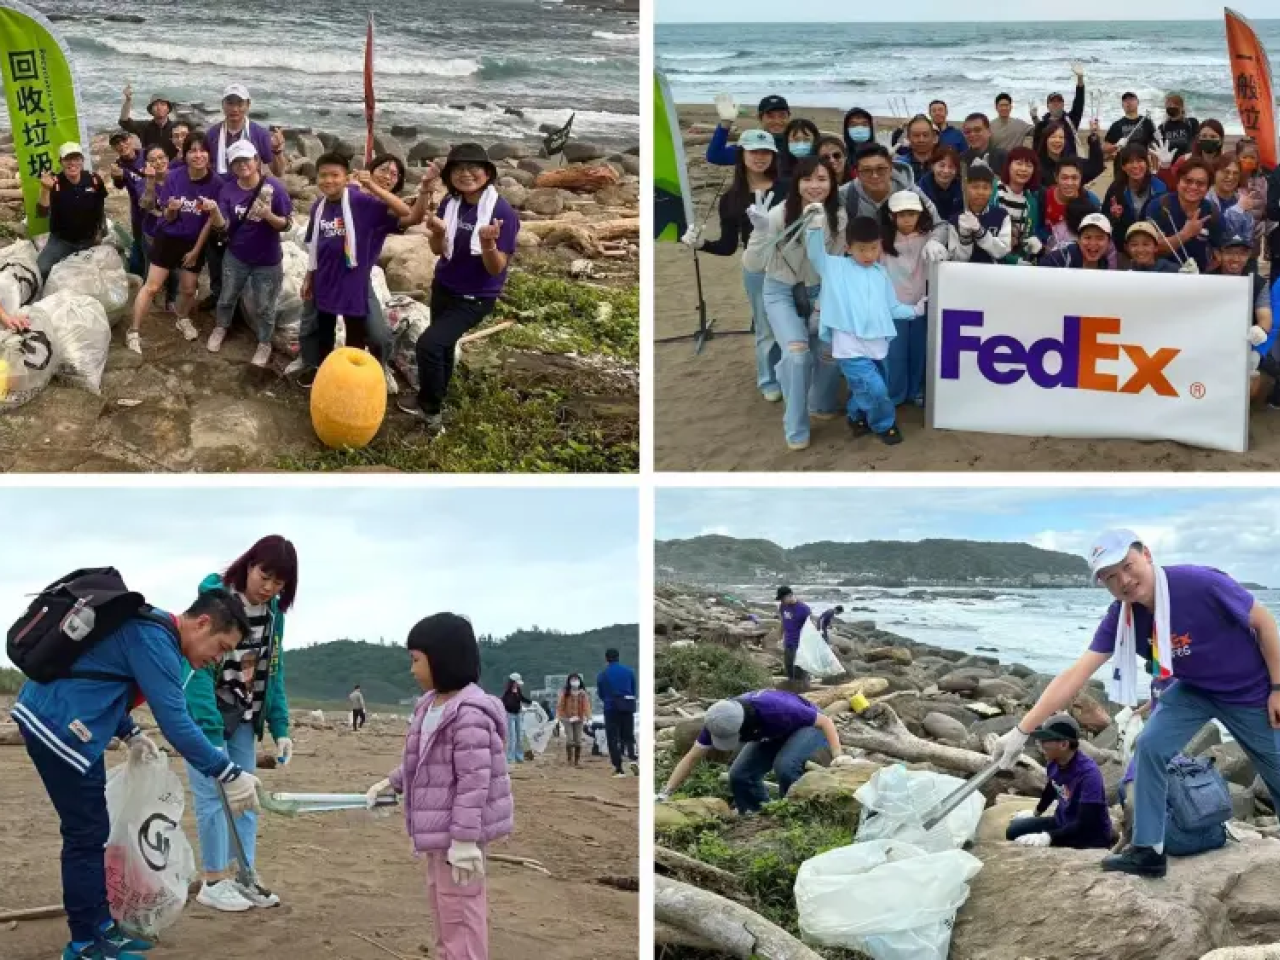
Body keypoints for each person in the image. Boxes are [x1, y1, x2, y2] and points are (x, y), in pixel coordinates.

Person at [991, 529, 1280, 878]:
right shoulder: (1122, 619)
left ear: (1146, 555)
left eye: (1127, 566)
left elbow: (1264, 623)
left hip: (1250, 690)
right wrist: (1022, 732)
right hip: (1195, 690)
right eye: (1110, 577)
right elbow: (1074, 675)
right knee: (1150, 747)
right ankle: (1149, 850)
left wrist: (1277, 687)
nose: (1124, 581)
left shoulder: (1198, 583)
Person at [11, 588, 259, 960]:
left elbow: (101, 677)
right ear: (203, 623)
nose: (216, 660)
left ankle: (103, 927)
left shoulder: (152, 633)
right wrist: (227, 771)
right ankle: (84, 944)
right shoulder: (156, 639)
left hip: (70, 724)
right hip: (58, 727)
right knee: (84, 835)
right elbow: (176, 722)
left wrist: (130, 732)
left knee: (92, 830)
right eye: (221, 647)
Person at [363, 613, 514, 960]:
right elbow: (420, 761)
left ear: (442, 658)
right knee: (444, 904)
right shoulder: (429, 706)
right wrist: (393, 782)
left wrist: (464, 841)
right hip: (438, 830)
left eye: (416, 660)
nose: (412, 670)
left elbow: (474, 782)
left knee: (461, 908)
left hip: (459, 835)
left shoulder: (470, 714)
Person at [184, 536, 297, 911]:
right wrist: (209, 731)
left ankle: (245, 875)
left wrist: (281, 728)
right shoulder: (216, 600)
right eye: (265, 576)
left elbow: (272, 671)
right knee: (213, 796)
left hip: (245, 714)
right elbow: (196, 669)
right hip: (207, 713)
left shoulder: (272, 615)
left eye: (279, 583)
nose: (268, 588)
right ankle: (214, 880)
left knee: (245, 797)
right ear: (249, 565)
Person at [393, 144, 515, 435]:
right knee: (443, 347)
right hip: (445, 286)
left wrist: (487, 244)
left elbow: (496, 268)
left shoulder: (501, 213)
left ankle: (432, 415)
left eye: (474, 168)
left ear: (487, 173)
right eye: (458, 169)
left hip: (474, 297)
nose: (466, 174)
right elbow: (439, 251)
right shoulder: (451, 202)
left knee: (429, 345)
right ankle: (436, 395)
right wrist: (436, 232)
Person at [742, 156, 846, 451]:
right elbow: (753, 264)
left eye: (822, 179)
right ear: (797, 183)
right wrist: (760, 232)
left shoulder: (838, 217)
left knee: (829, 350)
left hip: (820, 290)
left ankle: (814, 398)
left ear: (832, 183)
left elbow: (834, 268)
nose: (815, 186)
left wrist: (821, 307)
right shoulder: (777, 215)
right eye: (807, 179)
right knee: (798, 355)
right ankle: (795, 423)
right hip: (781, 291)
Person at [682, 129, 785, 403]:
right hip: (757, 269)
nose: (760, 158)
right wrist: (701, 243)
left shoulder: (788, 187)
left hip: (793, 264)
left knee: (798, 320)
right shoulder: (731, 199)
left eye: (766, 152)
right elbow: (728, 246)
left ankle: (794, 373)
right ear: (741, 155)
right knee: (766, 326)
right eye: (754, 152)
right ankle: (768, 379)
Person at [294, 153, 410, 386]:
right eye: (323, 175)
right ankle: (320, 368)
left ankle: (354, 376)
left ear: (346, 177)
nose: (329, 180)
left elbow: (406, 213)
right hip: (324, 277)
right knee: (319, 328)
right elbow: (316, 246)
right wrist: (309, 276)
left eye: (335, 175)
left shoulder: (363, 203)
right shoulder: (320, 206)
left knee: (359, 333)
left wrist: (371, 186)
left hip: (354, 281)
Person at [807, 212, 916, 446]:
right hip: (849, 345)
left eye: (874, 248)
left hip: (877, 343)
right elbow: (816, 256)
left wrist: (917, 310)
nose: (868, 255)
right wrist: (814, 228)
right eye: (862, 249)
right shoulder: (835, 267)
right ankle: (884, 424)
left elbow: (893, 307)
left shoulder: (881, 273)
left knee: (869, 385)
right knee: (875, 389)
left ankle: (856, 416)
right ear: (848, 248)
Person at [656, 690, 854, 813]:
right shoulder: (718, 721)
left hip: (808, 727)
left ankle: (794, 813)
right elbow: (691, 758)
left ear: (744, 723)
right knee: (739, 775)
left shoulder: (776, 708)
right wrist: (665, 793)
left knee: (785, 766)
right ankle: (759, 814)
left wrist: (838, 755)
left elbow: (825, 722)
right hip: (770, 733)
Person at [127, 132, 220, 354]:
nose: (198, 155)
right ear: (185, 155)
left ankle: (182, 318)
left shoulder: (216, 183)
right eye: (192, 151)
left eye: (202, 150)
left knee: (188, 290)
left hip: (193, 241)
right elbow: (166, 217)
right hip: (167, 238)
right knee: (152, 287)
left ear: (209, 154)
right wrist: (171, 209)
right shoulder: (174, 177)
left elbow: (209, 222)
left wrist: (197, 251)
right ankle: (133, 331)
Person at [203, 141, 293, 366]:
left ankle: (264, 343)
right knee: (226, 297)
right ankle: (221, 327)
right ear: (232, 166)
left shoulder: (275, 188)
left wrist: (269, 216)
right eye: (236, 161)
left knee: (265, 305)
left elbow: (287, 225)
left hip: (268, 259)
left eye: (246, 159)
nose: (242, 165)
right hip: (236, 255)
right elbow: (222, 226)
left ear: (257, 161)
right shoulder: (228, 189)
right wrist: (214, 211)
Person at [203, 84, 286, 310]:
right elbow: (201, 163)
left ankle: (243, 302)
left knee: (246, 250)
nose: (234, 108)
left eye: (240, 103)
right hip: (221, 201)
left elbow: (278, 171)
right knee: (216, 251)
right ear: (223, 106)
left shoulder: (258, 133)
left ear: (248, 106)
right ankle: (218, 293)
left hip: (249, 203)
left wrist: (278, 151)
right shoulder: (212, 134)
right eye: (230, 103)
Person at [1004, 714, 1113, 849]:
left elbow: (1086, 823)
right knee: (1013, 830)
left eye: (1046, 740)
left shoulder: (1089, 774)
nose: (1040, 743)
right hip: (1062, 822)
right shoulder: (1054, 763)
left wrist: (1049, 837)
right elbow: (1051, 788)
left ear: (1063, 744)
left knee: (1031, 845)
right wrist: (1036, 813)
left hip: (1087, 835)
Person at [840, 144, 950, 252]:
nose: (875, 175)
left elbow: (940, 225)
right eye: (866, 170)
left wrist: (935, 242)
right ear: (857, 173)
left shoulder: (911, 192)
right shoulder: (846, 195)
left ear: (891, 168)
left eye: (881, 169)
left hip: (904, 260)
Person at [878, 191, 933, 407]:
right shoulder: (883, 242)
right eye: (901, 214)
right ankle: (895, 394)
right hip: (894, 309)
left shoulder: (927, 238)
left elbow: (945, 229)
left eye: (911, 213)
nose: (907, 219)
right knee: (895, 354)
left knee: (919, 352)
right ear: (892, 216)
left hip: (921, 304)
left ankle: (915, 391)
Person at [1211, 230, 1274, 400]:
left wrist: (1260, 330)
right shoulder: (1207, 279)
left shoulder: (1258, 282)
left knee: (1255, 381)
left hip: (1243, 344)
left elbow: (1265, 318)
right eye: (1230, 252)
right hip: (1212, 343)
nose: (1236, 259)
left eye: (1242, 253)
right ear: (1218, 254)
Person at [35, 143, 107, 280]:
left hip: (88, 240)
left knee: (92, 275)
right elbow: (42, 213)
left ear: (82, 161)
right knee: (42, 268)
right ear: (61, 162)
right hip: (62, 241)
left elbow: (100, 207)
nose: (72, 163)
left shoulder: (94, 180)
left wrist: (101, 231)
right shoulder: (53, 182)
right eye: (67, 159)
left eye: (76, 158)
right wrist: (45, 189)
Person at [1150, 158, 1222, 274]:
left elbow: (1219, 253)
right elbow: (1151, 251)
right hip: (1162, 278)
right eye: (1188, 181)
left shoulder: (1211, 211)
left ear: (1208, 188)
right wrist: (1185, 234)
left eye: (1200, 183)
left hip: (1197, 282)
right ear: (1178, 182)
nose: (1193, 187)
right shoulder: (1159, 207)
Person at [947, 163, 1011, 265]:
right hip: (965, 275)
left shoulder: (1002, 215)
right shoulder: (955, 220)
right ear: (965, 188)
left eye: (985, 188)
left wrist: (981, 233)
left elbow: (1002, 251)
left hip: (994, 273)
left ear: (991, 190)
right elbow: (957, 259)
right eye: (975, 187)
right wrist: (965, 237)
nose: (980, 192)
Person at [1102, 143, 1168, 241]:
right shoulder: (1116, 188)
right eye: (1130, 162)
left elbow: (1166, 219)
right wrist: (1113, 216)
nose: (1135, 166)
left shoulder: (1159, 188)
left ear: (1147, 163)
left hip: (1152, 245)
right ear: (1123, 167)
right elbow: (1104, 218)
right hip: (1123, 245)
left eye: (1140, 161)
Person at [706, 93, 791, 166]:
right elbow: (715, 156)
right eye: (770, 116)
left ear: (788, 117)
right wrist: (725, 124)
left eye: (782, 116)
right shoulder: (752, 143)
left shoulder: (796, 143)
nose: (777, 121)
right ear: (759, 118)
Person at [1040, 158, 1101, 254]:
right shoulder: (1043, 197)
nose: (1069, 183)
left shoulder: (1092, 201)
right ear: (1056, 177)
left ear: (1081, 178)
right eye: (1064, 178)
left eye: (1074, 178)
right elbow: (1036, 228)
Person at [998, 147, 1044, 263]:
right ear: (1008, 165)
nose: (1023, 169)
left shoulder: (1031, 202)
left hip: (1018, 263)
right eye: (1019, 163)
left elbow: (1027, 237)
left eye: (1029, 166)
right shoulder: (994, 191)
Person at [597, 647, 638, 778]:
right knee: (628, 735)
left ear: (606, 658)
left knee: (613, 738)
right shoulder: (629, 671)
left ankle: (619, 767)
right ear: (618, 657)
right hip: (627, 707)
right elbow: (633, 690)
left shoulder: (602, 675)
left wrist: (610, 701)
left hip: (610, 708)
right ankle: (632, 763)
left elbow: (601, 694)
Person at [1032, 64, 1086, 153]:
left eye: (1059, 101)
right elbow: (1036, 146)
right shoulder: (1042, 124)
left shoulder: (1071, 121)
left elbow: (1079, 102)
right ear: (1047, 105)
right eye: (1053, 101)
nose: (1056, 104)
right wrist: (1034, 117)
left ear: (1063, 104)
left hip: (1067, 164)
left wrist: (1080, 78)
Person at [118, 85, 178, 159]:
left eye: (163, 104)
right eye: (155, 105)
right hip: (150, 165)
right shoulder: (144, 126)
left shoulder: (176, 127)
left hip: (172, 166)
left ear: (168, 109)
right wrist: (128, 100)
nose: (159, 108)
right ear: (151, 110)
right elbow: (124, 122)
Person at [1040, 212, 1113, 270]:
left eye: (1099, 238)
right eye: (1087, 237)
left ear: (1108, 242)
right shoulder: (1059, 259)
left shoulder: (1104, 264)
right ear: (1078, 240)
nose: (1093, 243)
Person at [917, 146, 964, 223]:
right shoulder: (921, 189)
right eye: (942, 166)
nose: (946, 171)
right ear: (932, 166)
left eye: (951, 167)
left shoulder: (963, 189)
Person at [1103, 92, 1156, 160]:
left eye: (1131, 99)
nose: (1128, 102)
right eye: (1125, 100)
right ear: (1122, 105)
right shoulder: (1116, 125)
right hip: (1122, 166)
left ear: (1138, 103)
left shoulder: (1147, 122)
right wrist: (1116, 146)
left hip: (1141, 165)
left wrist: (1155, 169)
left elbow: (1154, 146)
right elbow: (1104, 148)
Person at [776, 586, 813, 680]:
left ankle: (803, 690)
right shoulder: (783, 606)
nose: (781, 601)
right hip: (788, 642)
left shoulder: (804, 609)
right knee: (788, 668)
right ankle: (792, 690)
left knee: (799, 671)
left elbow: (811, 628)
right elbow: (783, 621)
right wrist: (780, 636)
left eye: (782, 599)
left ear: (790, 595)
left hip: (800, 645)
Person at [557, 673, 592, 767]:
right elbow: (560, 705)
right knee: (570, 739)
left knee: (578, 740)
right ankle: (569, 760)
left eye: (576, 679)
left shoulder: (582, 693)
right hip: (566, 718)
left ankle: (577, 761)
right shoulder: (565, 692)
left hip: (579, 718)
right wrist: (559, 717)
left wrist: (589, 717)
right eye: (572, 679)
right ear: (569, 681)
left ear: (580, 681)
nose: (575, 681)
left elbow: (586, 706)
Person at [1156, 94, 1200, 162]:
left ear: (1182, 107)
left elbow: (1198, 143)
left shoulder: (1191, 122)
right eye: (1169, 106)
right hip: (1170, 165)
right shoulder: (1162, 127)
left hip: (1189, 163)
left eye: (1174, 105)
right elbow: (1160, 149)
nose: (1172, 107)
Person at [895, 115, 939, 183]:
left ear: (934, 138)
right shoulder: (899, 165)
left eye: (925, 135)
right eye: (916, 135)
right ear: (908, 138)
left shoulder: (943, 166)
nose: (921, 140)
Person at [501, 674, 531, 764]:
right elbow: (506, 703)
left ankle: (519, 757)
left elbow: (521, 698)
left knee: (519, 736)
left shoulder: (518, 690)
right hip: (510, 715)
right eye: (516, 683)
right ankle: (510, 758)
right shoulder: (507, 692)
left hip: (518, 714)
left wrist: (530, 702)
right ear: (513, 682)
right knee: (512, 737)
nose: (518, 684)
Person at [841, 107, 876, 178]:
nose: (859, 129)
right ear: (846, 129)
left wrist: (888, 158)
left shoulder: (878, 152)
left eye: (864, 125)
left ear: (871, 128)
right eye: (853, 125)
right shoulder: (840, 155)